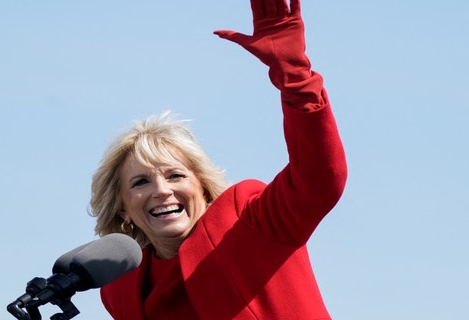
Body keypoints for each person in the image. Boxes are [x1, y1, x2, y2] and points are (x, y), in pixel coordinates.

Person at [89, 0, 347, 318]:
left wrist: (296, 78)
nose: (162, 190)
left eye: (175, 176)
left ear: (204, 187)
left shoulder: (247, 221)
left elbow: (319, 180)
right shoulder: (119, 290)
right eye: (141, 181)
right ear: (121, 207)